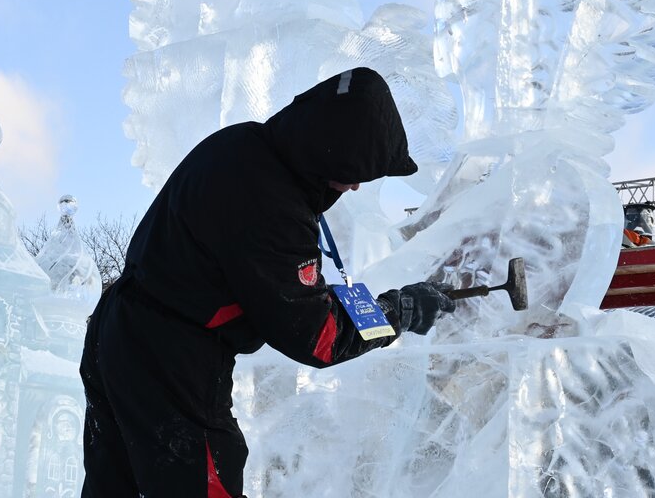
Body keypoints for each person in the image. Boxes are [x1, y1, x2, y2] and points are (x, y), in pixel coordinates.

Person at [80, 67, 456, 497]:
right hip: (171, 358)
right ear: (329, 154)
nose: (354, 186)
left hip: (119, 329)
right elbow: (319, 336)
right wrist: (398, 312)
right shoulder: (272, 204)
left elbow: (278, 290)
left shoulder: (243, 144)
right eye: (355, 172)